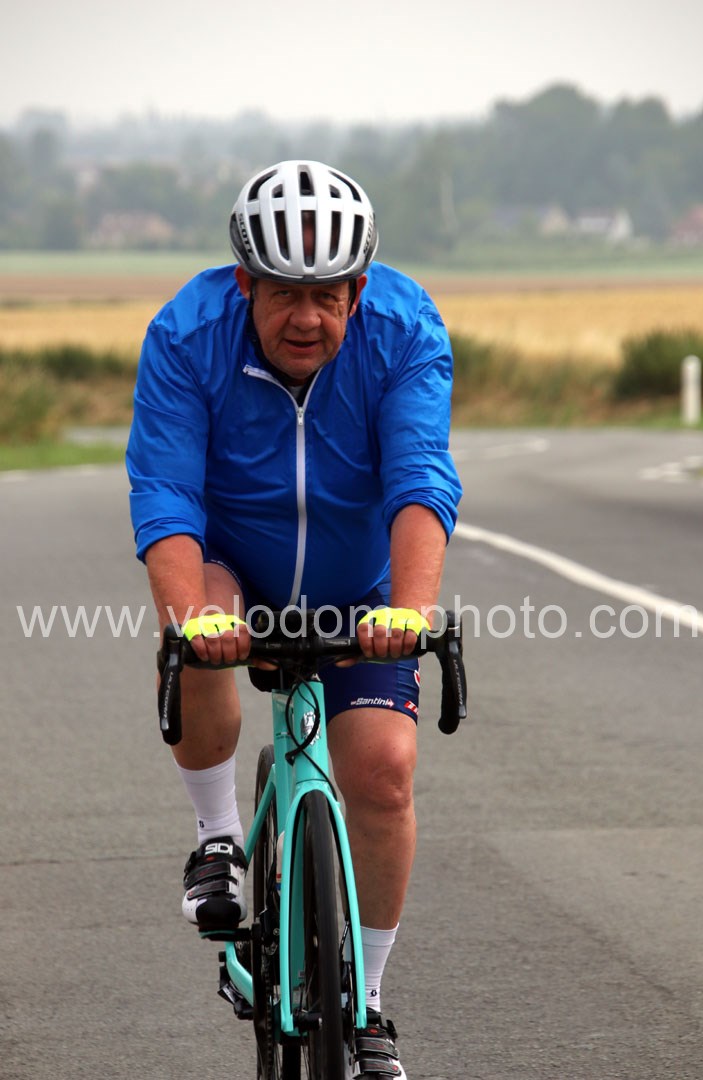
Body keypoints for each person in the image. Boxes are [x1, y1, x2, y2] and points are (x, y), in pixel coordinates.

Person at [126, 159, 462, 1079]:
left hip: (359, 588)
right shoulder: (187, 333)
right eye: (283, 294)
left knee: (383, 773)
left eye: (327, 296)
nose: (306, 318)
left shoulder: (405, 329)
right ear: (245, 284)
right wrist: (191, 620)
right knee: (197, 628)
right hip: (234, 566)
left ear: (359, 289)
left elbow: (421, 476)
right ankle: (218, 839)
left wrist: (409, 611)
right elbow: (165, 491)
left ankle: (369, 1005)